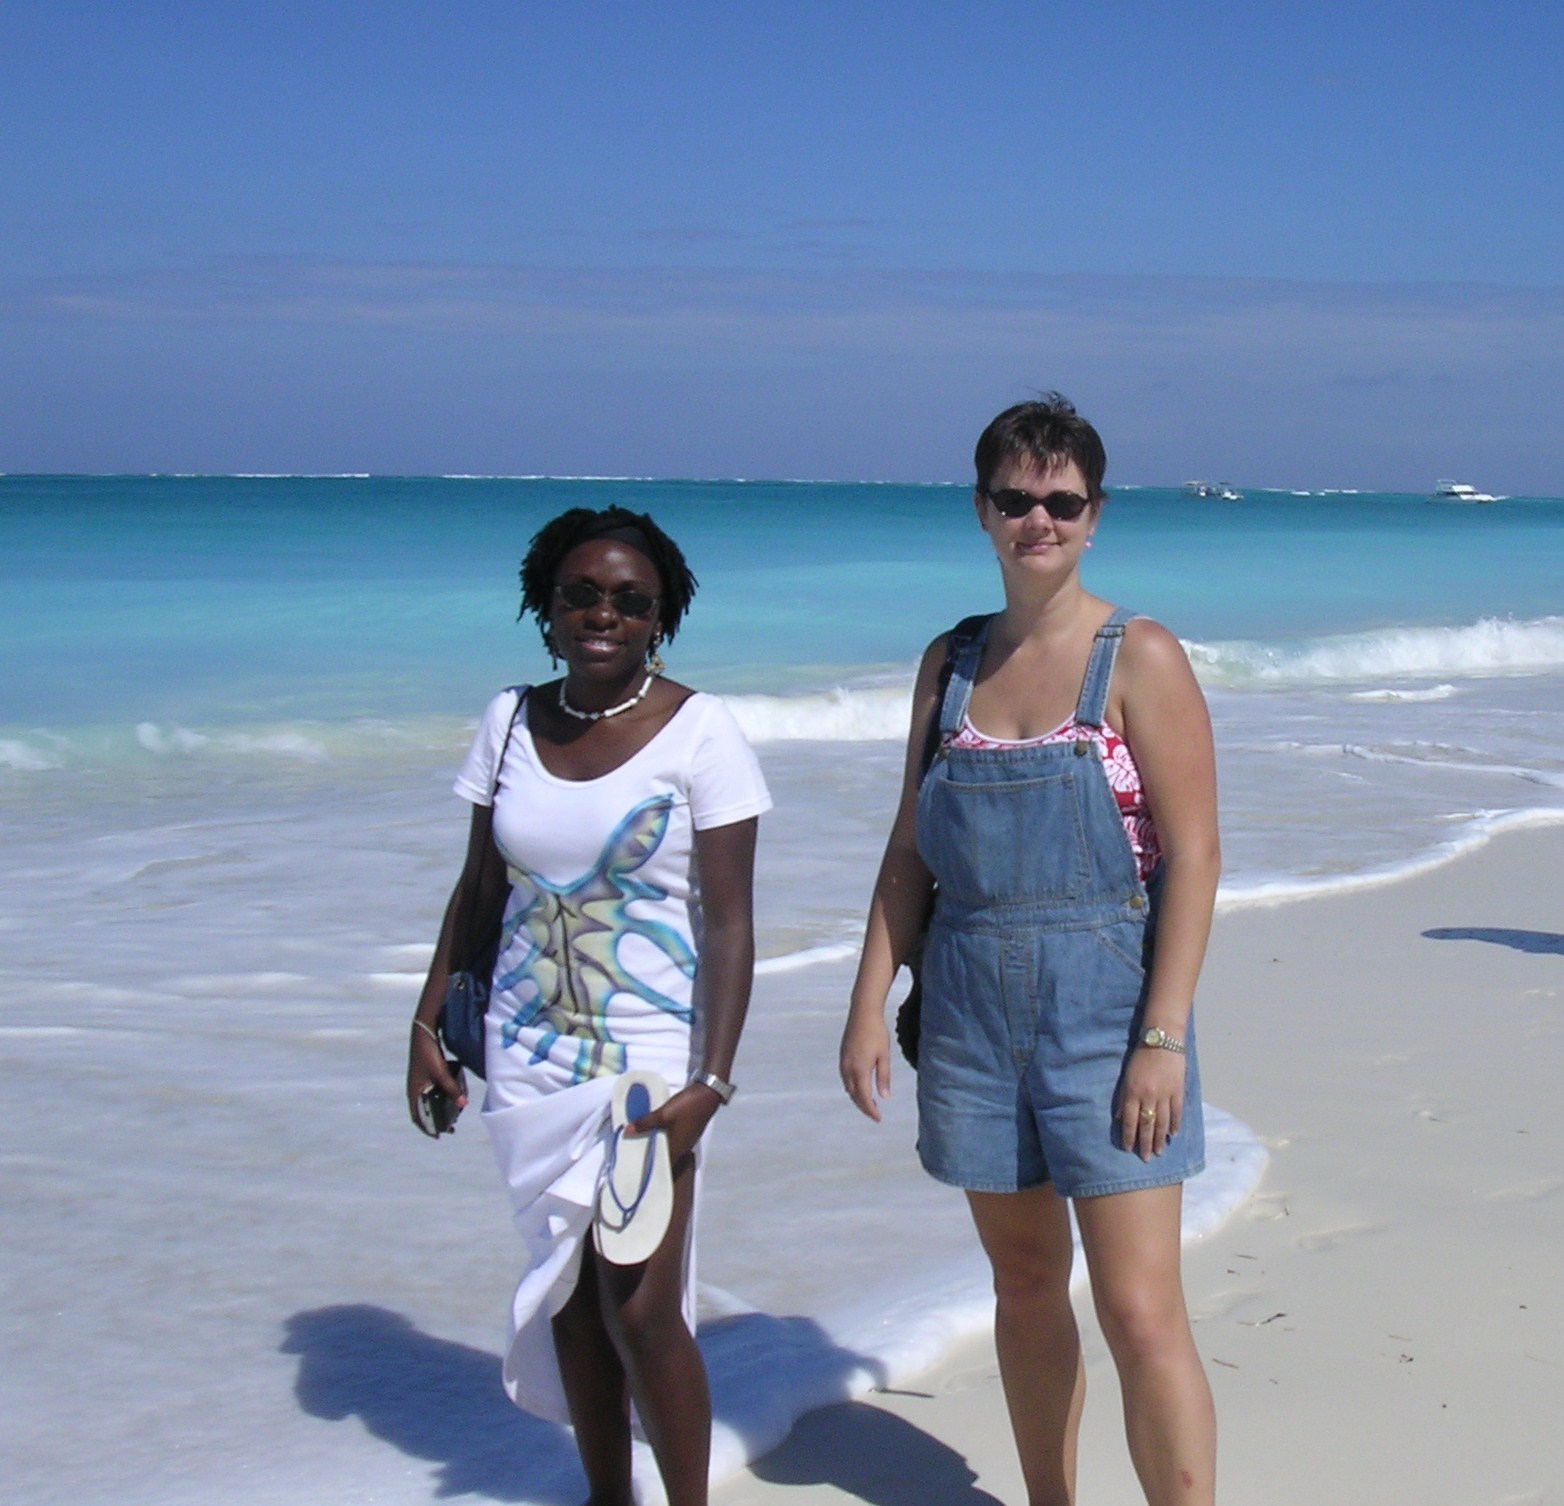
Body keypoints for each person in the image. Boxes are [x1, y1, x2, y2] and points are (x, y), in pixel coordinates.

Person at [839, 396, 1220, 1506]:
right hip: (966, 1010)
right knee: (1021, 1282)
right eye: (1016, 500)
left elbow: (1193, 859)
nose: (1037, 521)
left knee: (1140, 1309)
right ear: (981, 510)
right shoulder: (948, 663)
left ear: (1094, 515)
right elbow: (910, 851)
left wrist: (1160, 1038)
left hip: (1109, 1012)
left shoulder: (1137, 656)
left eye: (1061, 502)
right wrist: (870, 1002)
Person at [407, 506, 770, 1506]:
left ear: (660, 618)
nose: (601, 613)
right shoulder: (510, 720)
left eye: (628, 600)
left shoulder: (703, 732)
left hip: (647, 1068)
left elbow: (732, 927)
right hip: (527, 1056)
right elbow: (481, 890)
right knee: (570, 1291)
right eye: (580, 594)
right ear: (546, 604)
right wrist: (426, 1025)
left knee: (643, 1306)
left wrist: (711, 1081)